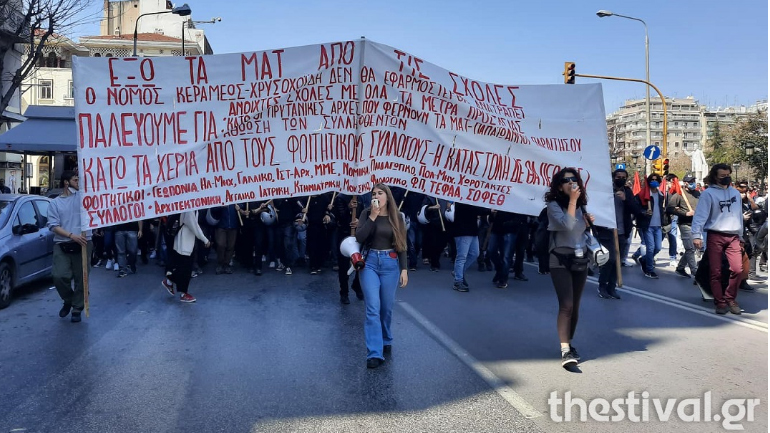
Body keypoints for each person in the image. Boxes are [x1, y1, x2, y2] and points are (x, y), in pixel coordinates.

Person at [355, 184, 408, 369]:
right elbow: (359, 237)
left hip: (390, 263)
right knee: (372, 309)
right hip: (369, 263)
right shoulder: (366, 213)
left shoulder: (397, 216)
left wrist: (404, 269)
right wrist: (372, 216)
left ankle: (386, 338)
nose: (376, 196)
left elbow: (402, 244)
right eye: (373, 194)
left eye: (380, 193)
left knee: (386, 308)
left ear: (388, 197)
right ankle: (374, 353)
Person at [545, 168, 593, 367]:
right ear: (559, 185)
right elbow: (567, 225)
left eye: (574, 180)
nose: (571, 183)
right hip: (560, 259)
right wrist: (573, 201)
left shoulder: (581, 206)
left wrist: (588, 223)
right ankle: (565, 350)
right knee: (566, 305)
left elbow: (579, 231)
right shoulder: (553, 205)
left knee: (575, 306)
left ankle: (569, 342)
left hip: (579, 257)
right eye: (566, 180)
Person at [692, 164, 744, 315]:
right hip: (715, 234)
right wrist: (696, 235)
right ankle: (720, 302)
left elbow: (738, 216)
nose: (726, 177)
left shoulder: (735, 193)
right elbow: (700, 216)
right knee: (716, 271)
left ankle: (730, 298)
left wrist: (740, 236)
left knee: (737, 269)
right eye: (722, 176)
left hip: (733, 236)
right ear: (715, 176)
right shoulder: (708, 194)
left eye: (728, 174)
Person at [47, 171, 92, 323]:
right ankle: (69, 299)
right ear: (66, 182)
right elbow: (53, 225)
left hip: (84, 242)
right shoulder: (55, 203)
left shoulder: (84, 197)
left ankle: (77, 308)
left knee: (81, 277)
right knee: (58, 276)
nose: (78, 182)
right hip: (63, 243)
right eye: (75, 179)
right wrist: (72, 235)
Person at [597, 169, 639, 299]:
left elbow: (635, 209)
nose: (620, 179)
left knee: (617, 262)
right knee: (609, 260)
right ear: (613, 177)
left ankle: (612, 287)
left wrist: (626, 199)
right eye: (618, 176)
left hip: (621, 231)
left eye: (623, 177)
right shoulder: (606, 191)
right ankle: (602, 286)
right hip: (607, 231)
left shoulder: (627, 191)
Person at [162, 210, 211, 303]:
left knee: (182, 268)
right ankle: (183, 293)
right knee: (185, 270)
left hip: (184, 242)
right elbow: (194, 226)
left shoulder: (190, 207)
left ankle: (169, 282)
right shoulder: (189, 210)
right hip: (184, 243)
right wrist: (205, 240)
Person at [632, 173, 669, 279]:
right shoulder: (642, 195)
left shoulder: (661, 194)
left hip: (658, 225)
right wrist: (644, 212)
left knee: (658, 247)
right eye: (652, 179)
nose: (654, 181)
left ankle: (644, 259)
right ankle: (649, 270)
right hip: (647, 225)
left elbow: (662, 209)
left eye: (656, 179)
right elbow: (636, 208)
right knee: (650, 247)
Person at [450, 202, 488, 292]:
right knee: (462, 256)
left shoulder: (470, 199)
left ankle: (457, 272)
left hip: (472, 230)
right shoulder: (462, 199)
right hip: (462, 231)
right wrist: (489, 210)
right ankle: (458, 281)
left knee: (475, 253)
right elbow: (474, 210)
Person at [668, 175, 700, 278]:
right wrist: (685, 213)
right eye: (690, 181)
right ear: (685, 183)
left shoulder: (697, 193)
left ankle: (680, 267)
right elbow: (670, 208)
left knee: (693, 247)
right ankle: (695, 272)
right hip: (685, 224)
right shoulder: (679, 194)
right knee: (690, 248)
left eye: (693, 181)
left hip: (696, 224)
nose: (692, 183)